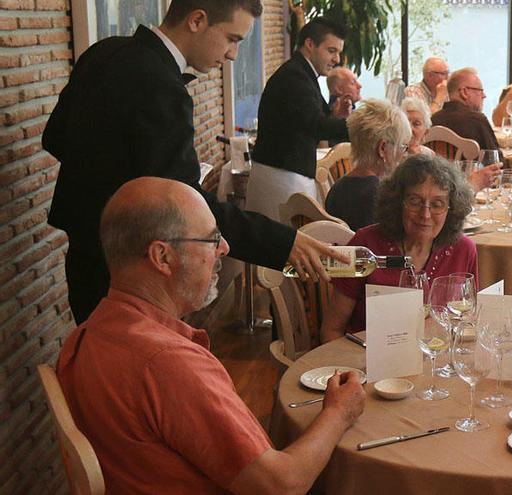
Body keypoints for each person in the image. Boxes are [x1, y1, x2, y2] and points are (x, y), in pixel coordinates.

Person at [56, 177, 365, 493]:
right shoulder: (168, 364)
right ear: (162, 257)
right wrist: (339, 412)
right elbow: (282, 485)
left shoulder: (88, 335)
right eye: (211, 239)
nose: (224, 248)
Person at [42, 0, 340, 324]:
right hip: (130, 274)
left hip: (81, 257)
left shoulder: (102, 53)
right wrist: (284, 243)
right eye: (232, 39)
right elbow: (189, 209)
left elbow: (54, 138)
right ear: (197, 20)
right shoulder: (162, 88)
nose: (232, 55)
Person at [321, 155, 478, 342]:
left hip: (437, 362)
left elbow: (469, 326)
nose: (425, 214)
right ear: (397, 202)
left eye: (437, 204)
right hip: (366, 360)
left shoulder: (463, 249)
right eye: (414, 201)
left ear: (451, 209)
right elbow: (331, 331)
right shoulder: (366, 244)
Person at [249, 17, 351, 211]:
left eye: (338, 52)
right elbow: (316, 125)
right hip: (281, 177)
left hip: (286, 174)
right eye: (332, 51)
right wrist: (362, 126)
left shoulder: (302, 73)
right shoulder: (294, 77)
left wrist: (334, 115)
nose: (337, 60)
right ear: (310, 44)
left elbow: (310, 117)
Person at [325, 99, 411, 231]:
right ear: (382, 148)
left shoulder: (336, 188)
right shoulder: (382, 196)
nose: (405, 154)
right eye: (403, 146)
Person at [402, 96, 502, 192]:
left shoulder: (429, 155)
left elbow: (443, 189)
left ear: (426, 132)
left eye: (416, 124)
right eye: (405, 122)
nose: (409, 128)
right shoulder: (392, 154)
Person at [432, 67, 500, 151]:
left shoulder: (434, 120)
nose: (484, 95)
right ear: (464, 92)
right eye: (480, 90)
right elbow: (495, 159)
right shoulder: (477, 120)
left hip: (441, 164)